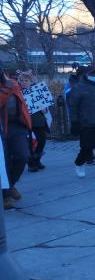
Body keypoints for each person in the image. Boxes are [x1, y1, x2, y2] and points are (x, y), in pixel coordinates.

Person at [1, 71, 33, 210]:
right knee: (4, 161)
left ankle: (10, 185)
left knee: (22, 156)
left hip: (17, 126)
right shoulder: (10, 86)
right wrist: (7, 89)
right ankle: (5, 194)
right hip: (2, 128)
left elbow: (28, 90)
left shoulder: (13, 83)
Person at [16, 71, 50, 173]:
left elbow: (45, 106)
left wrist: (44, 109)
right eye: (21, 80)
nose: (23, 82)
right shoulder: (17, 93)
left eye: (26, 80)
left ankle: (37, 160)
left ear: (31, 81)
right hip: (26, 122)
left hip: (38, 121)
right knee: (29, 143)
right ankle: (31, 163)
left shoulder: (37, 90)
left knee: (42, 140)